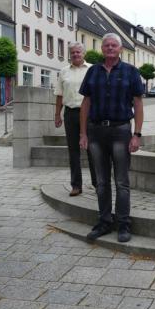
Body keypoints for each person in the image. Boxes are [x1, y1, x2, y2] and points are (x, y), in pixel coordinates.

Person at [79, 33, 145, 243]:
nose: (109, 48)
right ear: (102, 49)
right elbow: (86, 103)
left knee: (122, 182)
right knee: (101, 182)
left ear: (120, 49)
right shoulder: (92, 71)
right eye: (106, 45)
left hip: (121, 132)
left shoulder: (131, 72)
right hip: (96, 132)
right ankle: (104, 221)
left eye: (113, 45)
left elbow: (138, 104)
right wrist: (83, 133)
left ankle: (123, 224)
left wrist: (137, 135)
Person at [54, 42, 95, 196]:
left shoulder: (92, 69)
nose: (76, 54)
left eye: (78, 52)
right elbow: (59, 95)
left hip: (90, 114)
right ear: (70, 55)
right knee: (73, 151)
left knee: (92, 150)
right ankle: (76, 185)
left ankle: (97, 184)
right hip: (70, 114)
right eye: (73, 52)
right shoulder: (63, 71)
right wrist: (57, 114)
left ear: (84, 54)